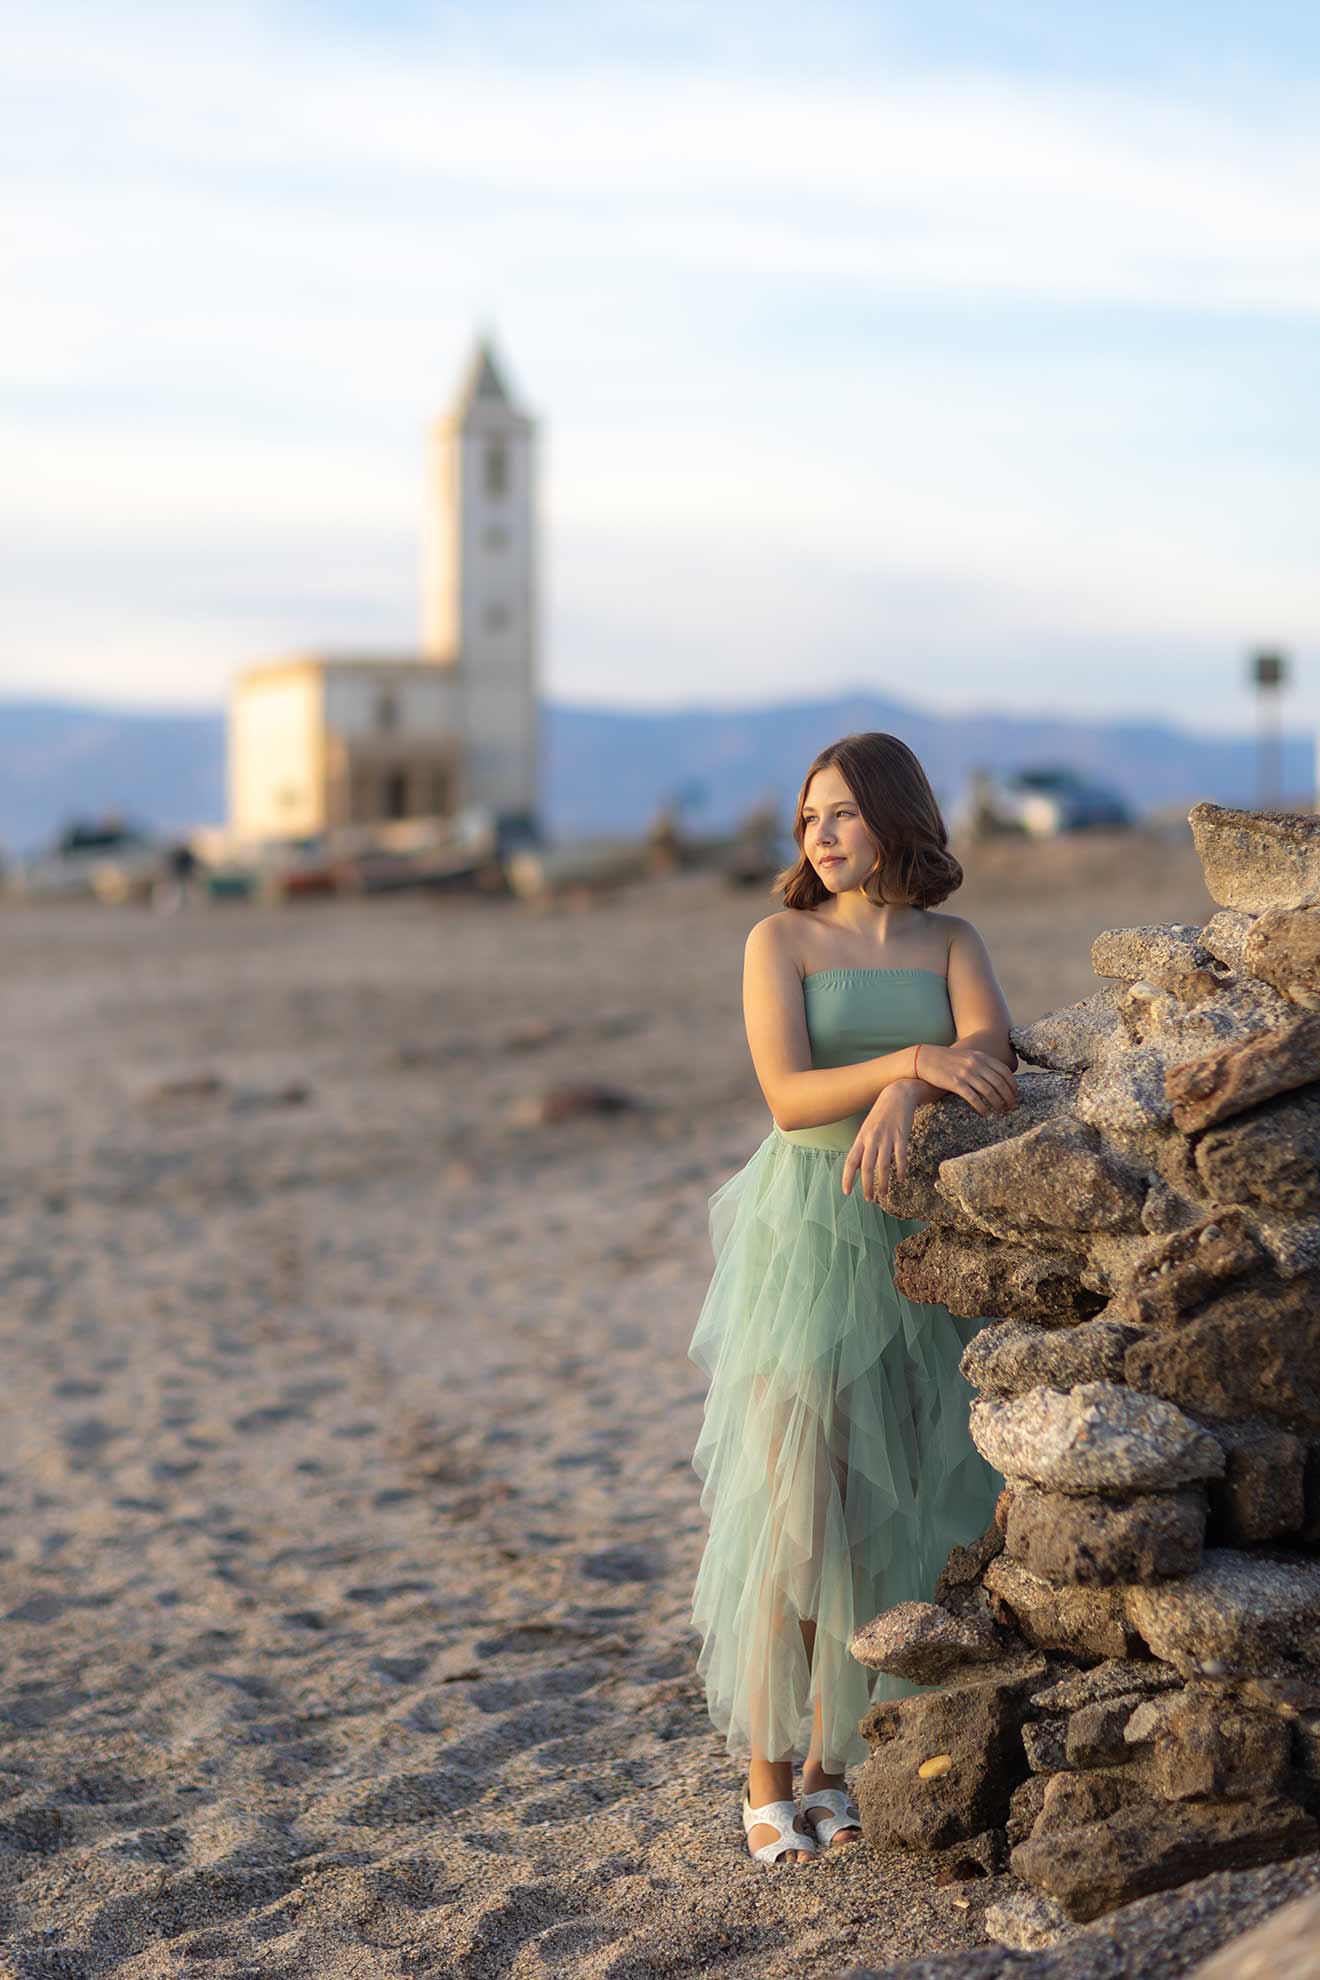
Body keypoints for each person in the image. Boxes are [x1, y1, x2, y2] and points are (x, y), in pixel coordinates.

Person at [688, 731, 1016, 1867]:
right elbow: (786, 1097)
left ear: (894, 817)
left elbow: (994, 1054)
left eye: (841, 815)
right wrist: (908, 1070)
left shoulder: (951, 939)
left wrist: (915, 1086)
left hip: (915, 1244)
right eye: (808, 821)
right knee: (796, 1508)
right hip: (805, 1240)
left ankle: (831, 1763)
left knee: (893, 1506)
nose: (821, 839)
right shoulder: (779, 940)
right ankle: (767, 1776)